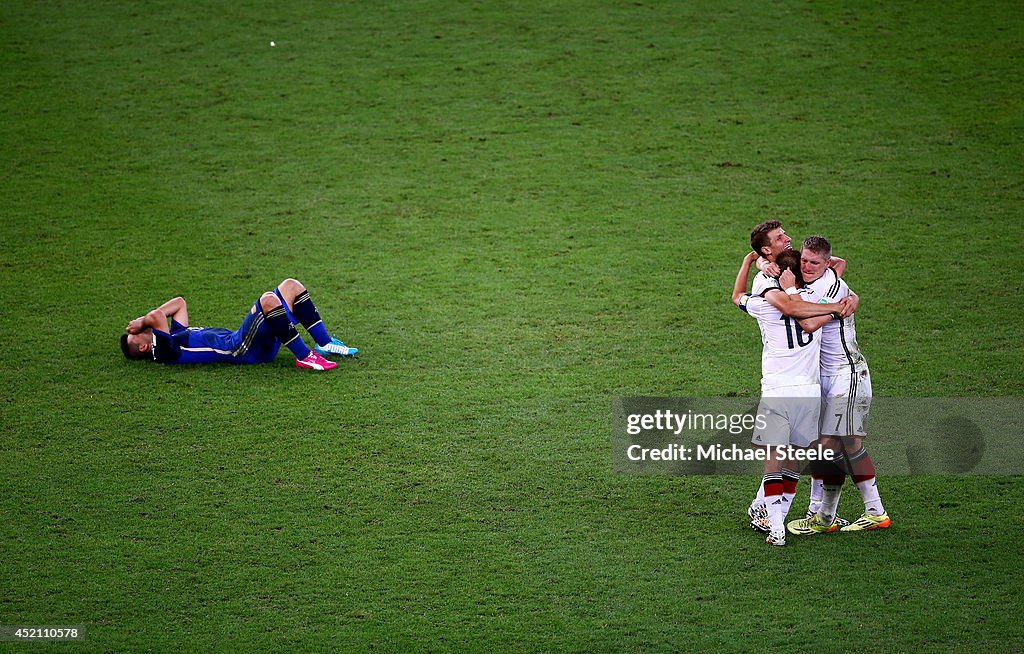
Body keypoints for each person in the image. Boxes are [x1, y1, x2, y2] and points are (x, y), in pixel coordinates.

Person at [732, 250, 852, 546]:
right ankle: (785, 516)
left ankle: (776, 528)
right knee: (793, 460)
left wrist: (751, 263)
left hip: (776, 390)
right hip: (808, 393)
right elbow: (837, 266)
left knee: (773, 459)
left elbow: (737, 296)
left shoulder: (764, 304)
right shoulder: (817, 302)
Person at [785, 237, 891, 534]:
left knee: (831, 446)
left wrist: (830, 304)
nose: (806, 266)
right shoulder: (823, 277)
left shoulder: (831, 286)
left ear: (826, 264)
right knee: (840, 446)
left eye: (814, 263)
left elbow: (807, 323)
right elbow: (833, 268)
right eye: (804, 260)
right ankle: (861, 513)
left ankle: (828, 516)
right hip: (826, 378)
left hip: (848, 375)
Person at [120, 278, 358, 371]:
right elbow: (157, 317)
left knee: (291, 286)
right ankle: (305, 356)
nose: (141, 330)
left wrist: (145, 323)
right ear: (143, 347)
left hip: (248, 342)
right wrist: (141, 322)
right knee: (268, 300)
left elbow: (179, 304)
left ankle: (324, 344)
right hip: (242, 349)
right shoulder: (162, 351)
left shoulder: (174, 336)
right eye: (138, 335)